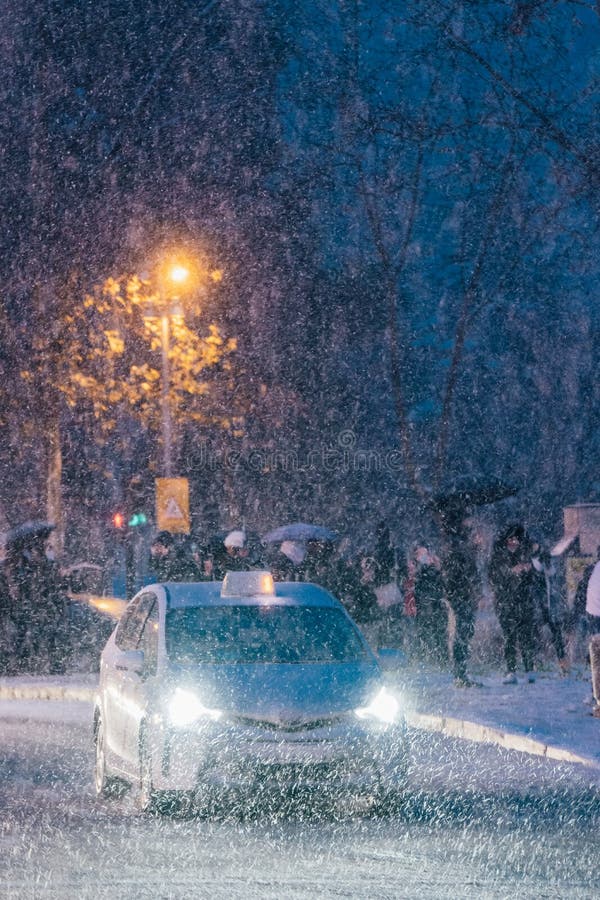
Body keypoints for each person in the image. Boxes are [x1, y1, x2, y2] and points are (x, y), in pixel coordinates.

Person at [488, 524, 537, 684]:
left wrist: (528, 570)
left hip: (524, 602)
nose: (514, 542)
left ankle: (529, 669)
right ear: (505, 540)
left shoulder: (524, 554)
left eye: (517, 539)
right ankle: (511, 671)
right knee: (509, 637)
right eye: (511, 539)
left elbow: (533, 580)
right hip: (505, 603)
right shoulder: (498, 557)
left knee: (526, 637)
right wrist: (511, 572)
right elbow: (494, 578)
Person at [440, 507, 481, 687]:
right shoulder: (455, 543)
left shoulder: (459, 541)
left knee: (465, 631)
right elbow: (460, 570)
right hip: (460, 593)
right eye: (467, 519)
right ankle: (460, 673)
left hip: (462, 593)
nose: (470, 522)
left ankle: (461, 673)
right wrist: (472, 550)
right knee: (463, 631)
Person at [531, 546, 569, 673]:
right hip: (541, 607)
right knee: (538, 635)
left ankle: (561, 663)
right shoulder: (536, 570)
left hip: (550, 608)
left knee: (555, 635)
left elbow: (558, 589)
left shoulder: (549, 570)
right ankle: (537, 662)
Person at [412, 545, 448, 666]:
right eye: (419, 553)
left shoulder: (434, 569)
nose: (422, 556)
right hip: (423, 608)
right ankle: (426, 661)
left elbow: (441, 585)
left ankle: (441, 661)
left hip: (435, 607)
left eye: (424, 553)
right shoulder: (415, 569)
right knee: (424, 635)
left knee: (439, 636)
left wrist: (437, 568)